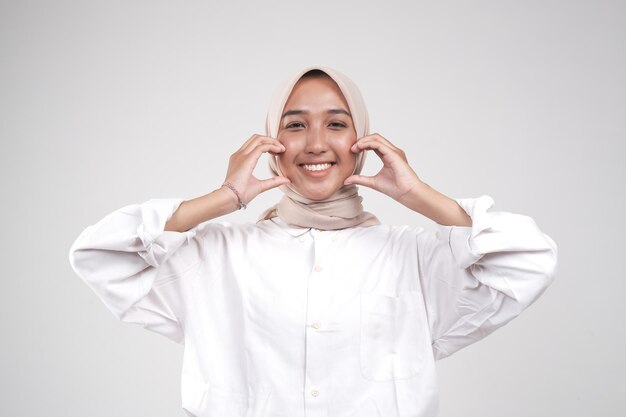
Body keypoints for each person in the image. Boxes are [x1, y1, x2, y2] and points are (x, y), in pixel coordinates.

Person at [69, 66, 558, 417]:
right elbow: (100, 255)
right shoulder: (215, 255)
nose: (317, 143)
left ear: (362, 142)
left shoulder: (414, 257)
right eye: (296, 124)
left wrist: (421, 197)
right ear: (271, 144)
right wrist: (223, 198)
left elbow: (527, 261)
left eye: (338, 124)